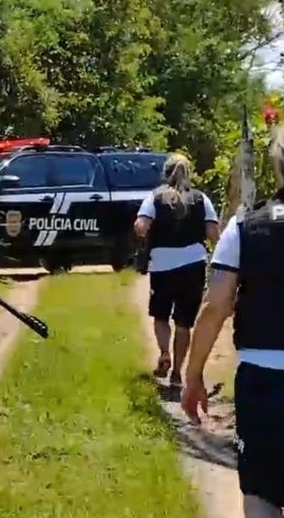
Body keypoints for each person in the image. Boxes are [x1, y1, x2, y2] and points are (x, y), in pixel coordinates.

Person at [182, 125, 284, 518]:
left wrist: (193, 375)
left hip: (264, 381)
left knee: (260, 491)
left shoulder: (246, 227)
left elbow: (217, 304)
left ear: (276, 167)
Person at [134, 153, 220, 387]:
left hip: (162, 265)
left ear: (165, 173)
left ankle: (164, 353)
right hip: (193, 265)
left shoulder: (155, 197)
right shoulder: (202, 199)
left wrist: (147, 233)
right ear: (189, 173)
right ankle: (177, 374)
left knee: (161, 315)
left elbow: (141, 227)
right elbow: (213, 234)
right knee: (184, 322)